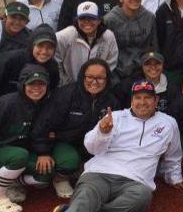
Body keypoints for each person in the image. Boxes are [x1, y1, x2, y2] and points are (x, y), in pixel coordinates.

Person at [43, 79, 183, 212]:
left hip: (136, 182)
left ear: (156, 100)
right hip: (100, 172)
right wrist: (102, 131)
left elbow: (173, 154)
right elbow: (91, 147)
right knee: (87, 194)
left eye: (148, 98)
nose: (142, 102)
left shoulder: (169, 123)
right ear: (131, 100)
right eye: (138, 98)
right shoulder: (114, 117)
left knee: (141, 200)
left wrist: (174, 177)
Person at [0, 64, 68, 212]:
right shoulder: (5, 103)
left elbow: (44, 133)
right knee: (19, 155)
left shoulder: (46, 104)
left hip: (20, 154)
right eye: (31, 84)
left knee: (45, 173)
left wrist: (44, 152)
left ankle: (8, 182)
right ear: (22, 84)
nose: (36, 88)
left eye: (41, 84)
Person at [32, 58, 121, 198]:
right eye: (90, 77)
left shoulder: (111, 100)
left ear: (107, 79)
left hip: (90, 145)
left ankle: (78, 169)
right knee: (69, 160)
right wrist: (43, 151)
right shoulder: (66, 94)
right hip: (63, 142)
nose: (94, 82)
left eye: (100, 78)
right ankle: (61, 178)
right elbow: (44, 123)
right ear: (82, 76)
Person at [0, 25, 60, 107]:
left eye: (49, 47)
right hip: (3, 108)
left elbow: (51, 92)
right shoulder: (10, 60)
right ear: (32, 45)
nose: (44, 51)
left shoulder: (53, 68)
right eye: (40, 46)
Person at [104, 0, 158, 82]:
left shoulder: (149, 17)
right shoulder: (110, 20)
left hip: (142, 71)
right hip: (117, 73)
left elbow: (154, 46)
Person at [55, 2, 118, 85]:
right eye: (82, 18)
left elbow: (111, 63)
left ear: (99, 20)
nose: (87, 22)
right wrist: (65, 83)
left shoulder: (108, 36)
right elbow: (55, 60)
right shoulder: (65, 36)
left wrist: (100, 82)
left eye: (91, 18)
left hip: (98, 84)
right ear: (77, 20)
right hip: (70, 85)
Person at [113, 51, 179, 113]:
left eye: (157, 63)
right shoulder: (128, 86)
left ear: (163, 65)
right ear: (142, 66)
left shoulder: (172, 87)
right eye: (148, 64)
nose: (153, 67)